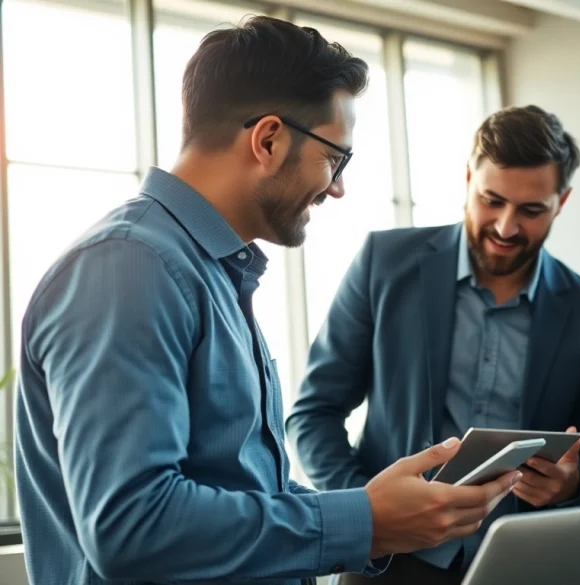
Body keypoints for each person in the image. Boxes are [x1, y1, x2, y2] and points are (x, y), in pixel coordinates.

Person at [14, 16, 519, 585]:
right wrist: (366, 521)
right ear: (269, 139)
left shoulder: (203, 271)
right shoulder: (129, 267)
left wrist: (375, 512)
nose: (337, 187)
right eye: (336, 159)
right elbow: (132, 526)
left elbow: (242, 486)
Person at [286, 104, 580, 585]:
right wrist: (370, 509)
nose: (505, 227)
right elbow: (313, 414)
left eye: (531, 210)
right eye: (491, 200)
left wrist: (573, 482)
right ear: (468, 178)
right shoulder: (384, 263)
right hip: (386, 563)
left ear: (561, 202)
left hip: (524, 564)